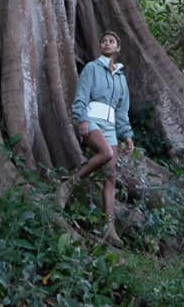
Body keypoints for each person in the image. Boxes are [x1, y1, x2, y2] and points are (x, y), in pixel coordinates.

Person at [56, 30, 133, 247]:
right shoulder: (92, 68)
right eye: (104, 41)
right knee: (106, 153)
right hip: (92, 120)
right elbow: (81, 95)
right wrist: (81, 119)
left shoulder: (121, 78)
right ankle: (68, 185)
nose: (107, 43)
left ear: (117, 48)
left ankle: (109, 228)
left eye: (111, 41)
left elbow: (122, 111)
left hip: (110, 127)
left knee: (110, 177)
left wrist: (126, 135)